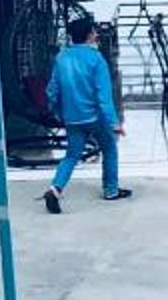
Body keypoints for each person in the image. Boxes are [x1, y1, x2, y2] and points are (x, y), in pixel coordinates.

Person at [42, 14, 128, 212]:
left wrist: (57, 111)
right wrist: (114, 123)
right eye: (94, 32)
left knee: (71, 156)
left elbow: (52, 91)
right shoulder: (96, 59)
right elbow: (104, 97)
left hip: (72, 118)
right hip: (95, 117)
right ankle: (111, 190)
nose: (96, 35)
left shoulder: (61, 58)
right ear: (89, 35)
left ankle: (55, 189)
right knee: (109, 148)